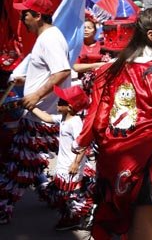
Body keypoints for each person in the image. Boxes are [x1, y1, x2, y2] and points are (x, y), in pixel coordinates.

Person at [74, 7, 152, 239]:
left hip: (110, 168)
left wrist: (86, 148)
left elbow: (95, 121)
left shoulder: (108, 70)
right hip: (147, 170)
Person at [0, 0, 72, 225]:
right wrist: (27, 80)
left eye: (25, 15)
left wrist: (36, 94)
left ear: (38, 16)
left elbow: (62, 72)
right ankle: (56, 197)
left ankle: (4, 206)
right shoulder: (47, 37)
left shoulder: (49, 38)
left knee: (19, 164)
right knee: (29, 162)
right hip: (41, 116)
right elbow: (50, 71)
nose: (22, 20)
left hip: (41, 117)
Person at [29, 85, 95, 231]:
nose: (57, 103)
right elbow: (46, 117)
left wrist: (76, 164)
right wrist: (30, 106)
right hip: (63, 166)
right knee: (64, 195)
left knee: (70, 196)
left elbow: (83, 144)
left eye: (61, 101)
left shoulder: (75, 122)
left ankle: (82, 214)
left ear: (70, 107)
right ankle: (71, 217)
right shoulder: (63, 118)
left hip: (70, 167)